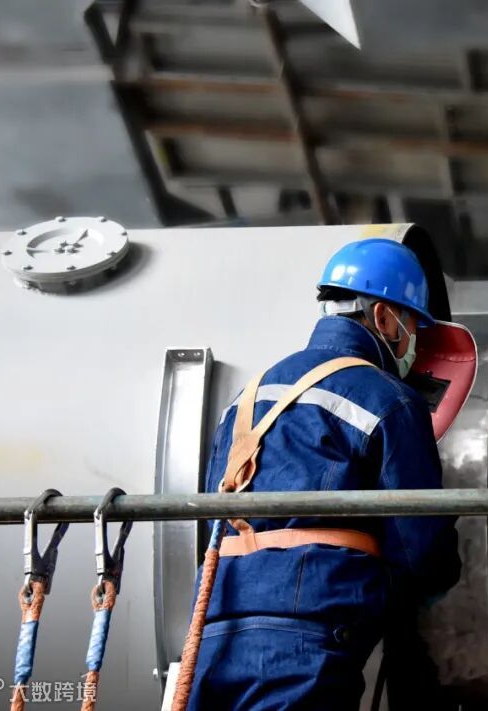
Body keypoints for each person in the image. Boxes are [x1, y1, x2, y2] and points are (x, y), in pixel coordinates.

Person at [186, 238, 462, 710]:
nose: (414, 343)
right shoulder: (388, 398)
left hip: (218, 624)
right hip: (308, 632)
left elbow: (215, 516)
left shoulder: (247, 399)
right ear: (383, 317)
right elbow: (419, 546)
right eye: (413, 325)